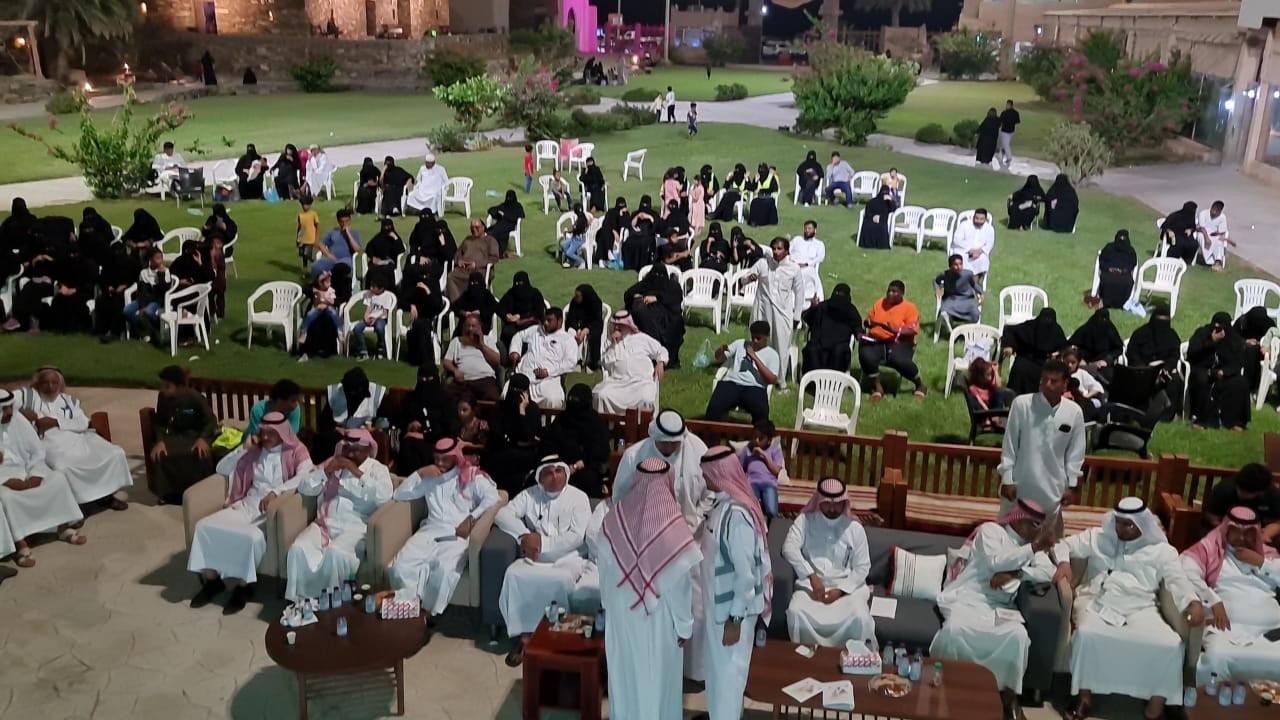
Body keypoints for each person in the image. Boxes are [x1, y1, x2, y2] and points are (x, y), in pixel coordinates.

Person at [1054, 497, 1202, 720]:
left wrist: (1193, 602)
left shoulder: (1161, 550)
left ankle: (1155, 708)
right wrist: (1064, 562)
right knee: (1086, 635)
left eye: (1128, 525)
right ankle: (1084, 698)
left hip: (1141, 606)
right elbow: (1062, 544)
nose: (1121, 529)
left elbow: (1177, 579)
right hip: (1097, 601)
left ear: (1142, 524)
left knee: (1171, 645)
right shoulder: (1098, 538)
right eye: (1119, 523)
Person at [929, 499, 1056, 720]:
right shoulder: (991, 532)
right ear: (1020, 520)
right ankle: (948, 688)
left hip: (1000, 607)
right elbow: (996, 562)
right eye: (1035, 525)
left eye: (1040, 526)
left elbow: (1049, 572)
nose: (1039, 531)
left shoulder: (1031, 546)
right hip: (968, 598)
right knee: (955, 630)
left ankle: (1007, 698)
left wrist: (1018, 574)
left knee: (1017, 636)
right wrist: (1033, 548)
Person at [597, 457, 701, 720]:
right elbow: (680, 589)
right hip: (658, 621)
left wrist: (609, 608)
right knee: (656, 684)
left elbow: (604, 572)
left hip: (621, 615)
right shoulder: (674, 530)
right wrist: (685, 627)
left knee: (625, 679)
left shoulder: (614, 520)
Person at [187, 413, 314, 613]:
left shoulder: (296, 450)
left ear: (282, 432)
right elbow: (221, 468)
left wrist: (276, 492)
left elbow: (306, 474)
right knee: (203, 526)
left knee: (251, 537)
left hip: (271, 510)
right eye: (263, 432)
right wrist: (243, 449)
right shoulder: (254, 450)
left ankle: (244, 587)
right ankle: (213, 582)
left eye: (272, 433)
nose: (266, 437)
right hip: (246, 504)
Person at [697, 447, 771, 720]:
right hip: (719, 613)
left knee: (728, 681)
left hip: (731, 616)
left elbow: (746, 575)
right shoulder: (721, 506)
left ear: (719, 474)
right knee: (719, 680)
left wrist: (735, 620)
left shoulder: (737, 517)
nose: (703, 478)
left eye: (707, 474)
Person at [495, 457, 592, 666]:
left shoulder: (578, 497)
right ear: (539, 478)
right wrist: (523, 536)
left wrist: (542, 542)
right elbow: (502, 515)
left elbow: (577, 536)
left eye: (559, 471)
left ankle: (557, 638)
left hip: (569, 556)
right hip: (535, 556)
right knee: (514, 574)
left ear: (566, 473)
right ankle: (525, 636)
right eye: (548, 472)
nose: (555, 476)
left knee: (560, 579)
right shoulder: (529, 495)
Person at [389, 437, 501, 615]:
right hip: (429, 531)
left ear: (455, 458)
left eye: (445, 459)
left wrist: (471, 519)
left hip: (457, 535)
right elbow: (399, 495)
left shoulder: (470, 475)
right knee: (400, 566)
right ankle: (408, 610)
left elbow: (493, 497)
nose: (439, 463)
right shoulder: (429, 477)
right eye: (436, 458)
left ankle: (426, 613)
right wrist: (419, 473)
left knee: (443, 571)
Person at [284, 430, 393, 601]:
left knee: (335, 554)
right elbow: (305, 487)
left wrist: (356, 472)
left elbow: (384, 496)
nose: (350, 454)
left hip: (356, 529)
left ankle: (332, 603)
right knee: (298, 548)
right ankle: (300, 600)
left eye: (356, 450)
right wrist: (325, 472)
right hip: (324, 524)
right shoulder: (332, 463)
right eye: (347, 448)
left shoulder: (378, 470)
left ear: (368, 450)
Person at [1181, 505, 1280, 683]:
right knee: (1217, 657)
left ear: (1256, 533)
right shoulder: (1209, 549)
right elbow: (1185, 571)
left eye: (1248, 533)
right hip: (1227, 629)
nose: (1241, 538)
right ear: (1226, 529)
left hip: (1272, 632)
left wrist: (1261, 563)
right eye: (1235, 531)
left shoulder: (1268, 556)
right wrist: (1213, 600)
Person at [18, 367, 131, 511]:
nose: (50, 387)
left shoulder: (68, 400)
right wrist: (20, 413)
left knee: (115, 453)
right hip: (50, 443)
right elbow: (4, 401)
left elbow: (83, 422)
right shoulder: (26, 397)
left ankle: (106, 496)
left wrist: (56, 422)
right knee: (63, 467)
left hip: (78, 439)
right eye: (45, 383)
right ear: (38, 384)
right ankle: (75, 507)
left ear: (60, 384)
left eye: (54, 382)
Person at [782, 477, 875, 648]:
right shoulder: (805, 521)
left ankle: (854, 658)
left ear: (844, 502)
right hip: (811, 588)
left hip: (847, 590)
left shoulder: (854, 528)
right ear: (819, 501)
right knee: (796, 611)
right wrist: (811, 576)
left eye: (837, 504)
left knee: (860, 616)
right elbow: (789, 548)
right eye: (827, 503)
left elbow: (863, 567)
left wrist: (840, 590)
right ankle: (806, 657)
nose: (832, 508)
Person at [0, 389, 86, 569]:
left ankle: (62, 528)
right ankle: (21, 544)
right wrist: (6, 480)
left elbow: (37, 450)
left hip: (28, 469)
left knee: (57, 479)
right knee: (6, 498)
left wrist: (36, 474)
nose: (9, 412)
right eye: (4, 409)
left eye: (10, 407)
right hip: (4, 479)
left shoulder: (17, 419)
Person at [998, 359, 1085, 526]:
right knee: (1006, 537)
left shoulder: (1074, 412)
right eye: (1044, 379)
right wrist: (1007, 479)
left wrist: (1073, 486)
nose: (1047, 384)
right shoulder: (1022, 405)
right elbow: (1009, 447)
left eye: (1053, 381)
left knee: (1047, 540)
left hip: (1053, 493)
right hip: (1019, 488)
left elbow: (1075, 455)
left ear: (1065, 384)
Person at [613, 410, 710, 532]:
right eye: (664, 442)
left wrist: (697, 519)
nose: (669, 448)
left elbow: (710, 493)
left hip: (692, 531)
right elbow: (620, 497)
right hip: (645, 531)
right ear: (654, 437)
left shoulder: (698, 451)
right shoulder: (633, 457)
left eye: (674, 443)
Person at [149, 366, 218, 505]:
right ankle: (168, 493)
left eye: (167, 386)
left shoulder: (195, 398)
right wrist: (160, 441)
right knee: (160, 455)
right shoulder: (163, 398)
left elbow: (210, 421)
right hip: (176, 435)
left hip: (196, 435)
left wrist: (203, 439)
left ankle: (201, 492)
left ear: (179, 386)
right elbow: (160, 422)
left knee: (200, 454)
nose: (163, 389)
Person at [748, 238, 804, 385]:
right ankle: (757, 376)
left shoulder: (794, 269)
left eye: (779, 249)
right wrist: (749, 279)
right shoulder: (763, 264)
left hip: (783, 314)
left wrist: (797, 316)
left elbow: (799, 293)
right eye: (773, 248)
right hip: (763, 311)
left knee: (781, 347)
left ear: (787, 251)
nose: (776, 252)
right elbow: (743, 280)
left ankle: (780, 380)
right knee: (760, 344)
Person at [540, 384, 611, 498]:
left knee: (586, 480)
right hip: (559, 466)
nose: (573, 405)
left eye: (576, 401)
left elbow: (600, 452)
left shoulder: (595, 423)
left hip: (584, 469)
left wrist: (576, 466)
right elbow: (548, 443)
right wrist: (559, 464)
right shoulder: (562, 419)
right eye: (571, 400)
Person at [859, 280, 926, 401]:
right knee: (866, 354)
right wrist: (869, 323)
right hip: (877, 340)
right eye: (889, 291)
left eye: (894, 292)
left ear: (902, 294)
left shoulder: (909, 308)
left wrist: (895, 330)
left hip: (900, 342)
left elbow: (912, 330)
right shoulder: (880, 303)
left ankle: (919, 385)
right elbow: (867, 320)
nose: (890, 294)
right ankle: (877, 388)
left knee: (898, 360)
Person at [704, 321, 779, 424]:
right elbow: (719, 358)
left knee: (761, 415)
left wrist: (754, 357)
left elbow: (772, 380)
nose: (754, 341)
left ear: (767, 337)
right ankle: (710, 432)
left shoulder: (772, 354)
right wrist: (720, 350)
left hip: (754, 387)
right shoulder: (740, 344)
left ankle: (758, 434)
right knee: (714, 408)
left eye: (758, 338)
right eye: (753, 337)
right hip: (731, 383)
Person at [1186, 311, 1251, 430]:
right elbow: (1192, 353)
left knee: (1241, 383)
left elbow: (1238, 362)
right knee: (1202, 380)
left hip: (1224, 372)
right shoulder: (1202, 333)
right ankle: (1201, 419)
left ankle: (1235, 421)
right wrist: (1211, 341)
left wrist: (1225, 372)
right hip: (1203, 368)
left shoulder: (1234, 339)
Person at [593, 311, 667, 414]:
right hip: (617, 383)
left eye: (620, 325)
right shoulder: (610, 343)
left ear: (628, 325)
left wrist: (660, 363)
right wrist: (613, 345)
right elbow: (606, 364)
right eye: (615, 325)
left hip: (641, 383)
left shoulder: (641, 338)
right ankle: (608, 423)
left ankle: (642, 424)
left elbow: (661, 350)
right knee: (601, 395)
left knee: (646, 398)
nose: (617, 328)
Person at [314, 367, 389, 462]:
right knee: (325, 439)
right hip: (340, 437)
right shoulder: (336, 393)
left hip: (366, 438)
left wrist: (373, 429)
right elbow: (324, 421)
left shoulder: (377, 393)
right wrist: (337, 429)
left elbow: (385, 422)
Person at [511, 307, 578, 409]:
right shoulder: (535, 330)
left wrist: (548, 371)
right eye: (544, 320)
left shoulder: (567, 340)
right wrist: (515, 351)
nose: (545, 323)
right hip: (524, 374)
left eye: (549, 320)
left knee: (552, 399)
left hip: (548, 379)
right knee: (506, 396)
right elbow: (518, 336)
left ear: (560, 321)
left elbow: (570, 362)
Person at [624, 264, 686, 368]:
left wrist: (658, 298)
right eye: (655, 275)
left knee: (675, 322)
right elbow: (629, 294)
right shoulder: (646, 284)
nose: (658, 278)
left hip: (668, 317)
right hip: (650, 317)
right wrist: (639, 298)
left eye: (661, 276)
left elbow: (675, 299)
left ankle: (667, 358)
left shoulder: (672, 286)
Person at [1203, 464, 1280, 540]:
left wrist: (1267, 534)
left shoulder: (1273, 495)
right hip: (1222, 530)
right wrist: (1228, 533)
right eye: (1239, 488)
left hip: (1257, 533)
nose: (1240, 493)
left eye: (1246, 492)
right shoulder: (1224, 488)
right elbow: (1212, 517)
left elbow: (1277, 522)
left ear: (1260, 492)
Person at [1002, 307, 1067, 395]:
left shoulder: (1056, 331)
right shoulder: (1030, 326)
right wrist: (1009, 346)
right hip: (1023, 366)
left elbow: (1064, 348)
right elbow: (1010, 330)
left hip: (1042, 368)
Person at [399, 255, 447, 368]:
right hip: (417, 320)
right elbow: (402, 301)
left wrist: (427, 291)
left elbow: (437, 305)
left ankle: (425, 359)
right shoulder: (413, 287)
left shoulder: (433, 285)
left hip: (432, 319)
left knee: (422, 326)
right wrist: (410, 305)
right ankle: (416, 359)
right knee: (417, 327)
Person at [801, 283, 860, 374]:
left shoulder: (850, 311)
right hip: (819, 343)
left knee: (839, 352)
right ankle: (813, 379)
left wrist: (860, 334)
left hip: (839, 346)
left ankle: (833, 380)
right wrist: (813, 308)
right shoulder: (822, 307)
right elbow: (807, 318)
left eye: (841, 295)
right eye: (837, 293)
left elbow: (857, 327)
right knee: (812, 350)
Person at [443, 314, 501, 403]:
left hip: (485, 379)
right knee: (445, 396)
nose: (470, 329)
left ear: (479, 328)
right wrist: (455, 370)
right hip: (463, 381)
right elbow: (446, 361)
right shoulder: (456, 341)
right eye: (468, 326)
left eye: (473, 326)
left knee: (493, 399)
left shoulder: (488, 340)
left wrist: (481, 344)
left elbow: (497, 360)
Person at [740, 420, 783, 523]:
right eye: (755, 436)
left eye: (761, 438)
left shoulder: (775, 450)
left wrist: (763, 455)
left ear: (769, 440)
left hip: (769, 484)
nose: (757, 440)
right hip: (752, 482)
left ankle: (771, 529)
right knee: (749, 507)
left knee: (772, 511)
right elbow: (740, 467)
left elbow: (777, 471)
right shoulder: (748, 450)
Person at [445, 221, 500, 302]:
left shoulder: (490, 240)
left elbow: (494, 257)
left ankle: (475, 303)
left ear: (483, 227)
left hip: (480, 269)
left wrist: (477, 264)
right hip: (463, 268)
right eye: (472, 227)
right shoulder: (468, 239)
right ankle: (457, 302)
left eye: (477, 227)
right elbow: (458, 253)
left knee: (474, 279)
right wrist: (459, 261)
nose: (474, 229)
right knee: (451, 276)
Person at [123, 248, 169, 345]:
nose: (160, 261)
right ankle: (144, 331)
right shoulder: (144, 273)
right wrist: (143, 306)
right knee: (127, 311)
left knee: (148, 312)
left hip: (157, 300)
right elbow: (142, 291)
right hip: (143, 300)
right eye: (157, 258)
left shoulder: (166, 271)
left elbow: (164, 291)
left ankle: (150, 332)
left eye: (161, 258)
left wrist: (161, 274)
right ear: (150, 259)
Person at [1067, 308, 1125, 384]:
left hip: (1103, 365)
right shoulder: (1085, 330)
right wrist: (1079, 359)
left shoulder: (1110, 331)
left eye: (1104, 320)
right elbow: (1071, 346)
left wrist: (1106, 361)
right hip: (1085, 365)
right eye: (1099, 319)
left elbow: (1118, 349)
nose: (1101, 323)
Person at [349, 277, 396, 361]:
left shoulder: (387, 296)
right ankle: (363, 350)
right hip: (370, 317)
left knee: (379, 328)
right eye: (371, 286)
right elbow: (368, 309)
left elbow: (385, 312)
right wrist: (366, 317)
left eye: (374, 286)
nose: (371, 288)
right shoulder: (369, 295)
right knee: (357, 328)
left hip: (380, 318)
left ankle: (380, 347)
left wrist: (375, 318)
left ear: (381, 288)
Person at [497, 271, 545, 350]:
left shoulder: (535, 293)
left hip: (531, 324)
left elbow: (539, 311)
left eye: (521, 283)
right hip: (514, 326)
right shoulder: (511, 293)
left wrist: (520, 316)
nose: (519, 286)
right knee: (507, 333)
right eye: (517, 283)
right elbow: (499, 307)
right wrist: (506, 315)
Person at [1233, 305, 1276, 393]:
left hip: (1262, 352)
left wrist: (1262, 344)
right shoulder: (1242, 322)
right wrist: (1245, 341)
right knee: (1250, 351)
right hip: (1242, 350)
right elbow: (1232, 336)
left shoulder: (1268, 324)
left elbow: (1273, 340)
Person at [966, 357, 1015, 431]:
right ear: (979, 376)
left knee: (1000, 393)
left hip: (992, 408)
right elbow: (980, 402)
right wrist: (989, 413)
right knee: (976, 402)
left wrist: (995, 371)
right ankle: (989, 420)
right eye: (988, 375)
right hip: (983, 410)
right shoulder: (973, 388)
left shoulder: (988, 385)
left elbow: (999, 386)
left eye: (991, 375)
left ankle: (995, 417)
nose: (990, 378)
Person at [935, 254, 984, 326]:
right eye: (956, 265)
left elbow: (974, 285)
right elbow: (936, 280)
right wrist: (938, 288)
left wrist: (981, 293)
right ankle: (950, 329)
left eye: (961, 264)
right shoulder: (945, 275)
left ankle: (966, 329)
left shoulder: (968, 274)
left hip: (967, 300)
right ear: (950, 266)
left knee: (975, 314)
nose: (959, 267)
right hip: (951, 300)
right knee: (943, 312)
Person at [565, 284, 605, 371]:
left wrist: (586, 330)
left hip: (593, 326)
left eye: (578, 296)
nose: (576, 298)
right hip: (578, 326)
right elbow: (571, 318)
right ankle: (576, 360)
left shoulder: (596, 303)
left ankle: (593, 362)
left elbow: (596, 320)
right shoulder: (574, 302)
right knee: (571, 332)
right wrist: (578, 329)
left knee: (594, 335)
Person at [950, 208, 995, 285]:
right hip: (963, 250)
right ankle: (961, 281)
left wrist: (979, 251)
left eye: (981, 219)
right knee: (960, 259)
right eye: (976, 218)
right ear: (973, 217)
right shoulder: (964, 225)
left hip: (980, 252)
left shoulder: (989, 229)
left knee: (983, 260)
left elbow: (990, 243)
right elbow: (956, 239)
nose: (978, 221)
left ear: (985, 219)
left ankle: (974, 283)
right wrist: (969, 249)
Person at [313, 209, 361, 279]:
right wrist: (328, 254)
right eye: (342, 222)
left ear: (350, 220)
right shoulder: (333, 232)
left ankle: (333, 281)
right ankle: (319, 284)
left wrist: (348, 233)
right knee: (316, 266)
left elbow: (357, 249)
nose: (344, 224)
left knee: (340, 268)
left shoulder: (355, 233)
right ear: (338, 222)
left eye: (346, 221)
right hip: (331, 259)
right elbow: (320, 244)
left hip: (346, 260)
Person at [1095, 230, 1138, 309]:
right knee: (1107, 280)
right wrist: (1109, 268)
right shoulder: (1109, 247)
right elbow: (1102, 260)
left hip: (1124, 274)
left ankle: (1121, 304)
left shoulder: (1130, 251)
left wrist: (1123, 270)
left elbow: (1132, 263)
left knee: (1128, 282)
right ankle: (1106, 302)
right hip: (1108, 272)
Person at [789, 220, 826, 304]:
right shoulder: (797, 239)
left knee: (806, 275)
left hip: (808, 268)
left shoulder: (819, 244)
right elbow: (788, 250)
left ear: (815, 230)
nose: (807, 230)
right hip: (793, 265)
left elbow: (820, 257)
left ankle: (807, 300)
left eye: (809, 228)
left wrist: (807, 264)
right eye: (805, 228)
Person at [363, 218, 405, 286]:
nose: (388, 229)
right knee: (372, 270)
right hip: (377, 261)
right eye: (386, 227)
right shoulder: (378, 237)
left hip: (390, 262)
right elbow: (369, 248)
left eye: (389, 226)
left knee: (387, 271)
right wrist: (373, 257)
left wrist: (395, 238)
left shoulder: (395, 237)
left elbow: (401, 250)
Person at [486, 190, 526, 258]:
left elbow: (521, 215)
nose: (509, 200)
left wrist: (505, 215)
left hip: (510, 225)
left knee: (496, 232)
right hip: (500, 224)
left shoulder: (517, 206)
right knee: (491, 231)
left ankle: (497, 251)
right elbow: (491, 210)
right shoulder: (504, 205)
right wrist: (498, 213)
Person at [1197, 200, 1234, 270]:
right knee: (1202, 238)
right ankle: (1209, 261)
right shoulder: (1203, 213)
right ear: (1211, 207)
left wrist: (1218, 236)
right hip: (1202, 232)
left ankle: (1217, 261)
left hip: (1213, 234)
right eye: (1213, 210)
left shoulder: (1222, 217)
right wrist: (1207, 238)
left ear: (1220, 211)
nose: (1214, 213)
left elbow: (1221, 231)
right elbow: (1202, 227)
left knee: (1218, 242)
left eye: (1216, 211)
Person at [857, 185, 895, 249]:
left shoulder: (888, 203)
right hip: (871, 219)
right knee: (869, 224)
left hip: (882, 219)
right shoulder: (872, 202)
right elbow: (868, 212)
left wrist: (890, 201)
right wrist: (873, 217)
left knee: (881, 226)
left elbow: (893, 209)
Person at [559, 203, 591, 269]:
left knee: (568, 253)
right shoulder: (581, 216)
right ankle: (572, 260)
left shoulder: (581, 220)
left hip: (579, 240)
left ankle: (581, 261)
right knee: (563, 244)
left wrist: (567, 231)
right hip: (574, 238)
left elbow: (575, 230)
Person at [295, 196, 321, 271]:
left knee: (306, 254)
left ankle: (314, 261)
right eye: (303, 205)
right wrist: (298, 239)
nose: (304, 206)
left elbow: (317, 226)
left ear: (310, 205)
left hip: (310, 239)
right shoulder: (300, 215)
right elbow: (300, 228)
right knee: (302, 255)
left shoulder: (313, 214)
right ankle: (305, 271)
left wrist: (317, 238)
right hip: (302, 239)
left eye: (306, 205)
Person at [998, 99, 1021, 169]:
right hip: (1012, 131)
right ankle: (1001, 156)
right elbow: (1017, 123)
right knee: (1004, 144)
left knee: (1005, 145)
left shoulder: (1004, 113)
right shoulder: (1016, 113)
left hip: (1005, 131)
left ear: (1009, 105)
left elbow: (1000, 122)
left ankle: (1009, 157)